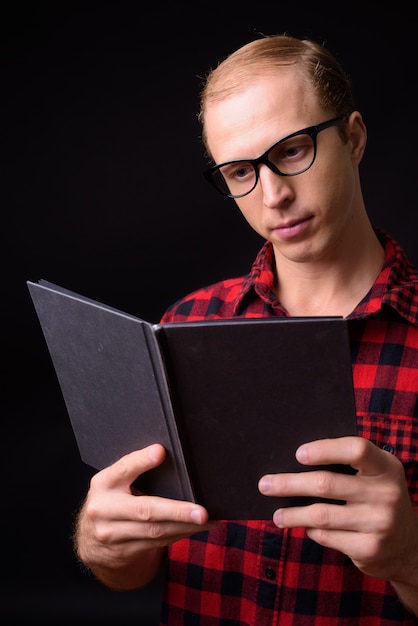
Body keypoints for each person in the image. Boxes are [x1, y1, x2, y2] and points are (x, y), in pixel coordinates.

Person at [73, 34, 418, 624]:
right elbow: (129, 569)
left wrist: (410, 559)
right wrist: (101, 543)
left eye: (291, 152)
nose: (274, 196)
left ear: (353, 138)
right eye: (240, 171)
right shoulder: (183, 328)